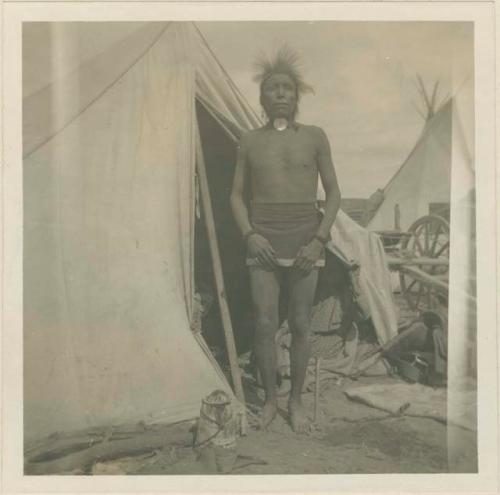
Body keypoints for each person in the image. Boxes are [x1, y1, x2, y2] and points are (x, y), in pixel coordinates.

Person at [230, 47, 341, 433]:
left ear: (296, 97)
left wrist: (319, 240)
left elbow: (334, 195)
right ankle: (270, 402)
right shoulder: (249, 140)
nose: (280, 94)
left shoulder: (315, 137)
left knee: (299, 324)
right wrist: (249, 234)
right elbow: (235, 196)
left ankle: (295, 402)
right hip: (263, 240)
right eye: (273, 88)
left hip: (305, 241)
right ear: (263, 97)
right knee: (263, 324)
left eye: (287, 88)